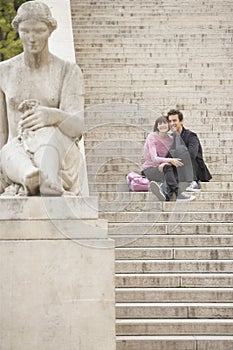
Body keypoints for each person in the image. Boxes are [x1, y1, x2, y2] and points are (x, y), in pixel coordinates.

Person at [0, 1, 85, 196]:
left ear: (50, 30)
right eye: (25, 31)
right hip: (16, 154)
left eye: (39, 31)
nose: (31, 38)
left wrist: (53, 116)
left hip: (59, 154)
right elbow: (2, 133)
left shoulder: (67, 71)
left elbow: (79, 126)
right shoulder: (3, 71)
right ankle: (32, 177)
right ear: (17, 29)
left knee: (46, 133)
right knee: (8, 151)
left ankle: (49, 178)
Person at [141, 116, 196, 201]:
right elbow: (154, 158)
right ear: (156, 126)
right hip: (150, 169)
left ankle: (165, 194)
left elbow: (171, 155)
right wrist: (169, 161)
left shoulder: (171, 139)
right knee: (168, 168)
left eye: (165, 123)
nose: (163, 125)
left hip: (165, 169)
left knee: (173, 170)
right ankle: (179, 194)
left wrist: (169, 161)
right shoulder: (152, 137)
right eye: (160, 123)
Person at [167, 109, 212, 191]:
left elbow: (191, 155)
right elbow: (167, 156)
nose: (172, 123)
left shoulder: (191, 136)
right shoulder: (171, 138)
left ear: (181, 121)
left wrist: (174, 160)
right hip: (179, 167)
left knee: (181, 150)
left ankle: (193, 184)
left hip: (194, 168)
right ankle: (165, 189)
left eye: (174, 120)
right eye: (170, 121)